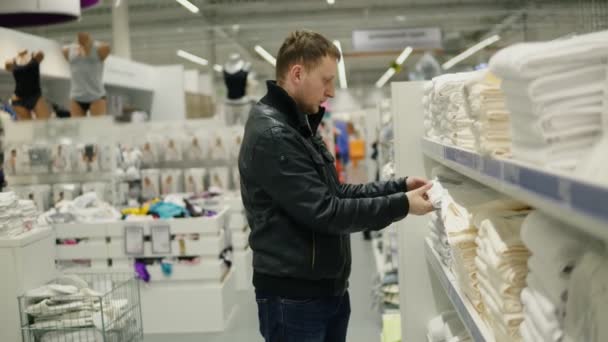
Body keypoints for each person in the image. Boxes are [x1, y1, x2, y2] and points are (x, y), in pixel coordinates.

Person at [238, 30, 434, 342]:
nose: (331, 91)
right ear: (298, 74)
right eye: (326, 80)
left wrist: (399, 187)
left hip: (321, 290)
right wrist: (403, 204)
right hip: (295, 298)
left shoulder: (298, 125)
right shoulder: (275, 135)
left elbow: (337, 192)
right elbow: (327, 211)